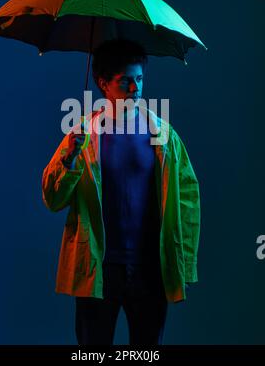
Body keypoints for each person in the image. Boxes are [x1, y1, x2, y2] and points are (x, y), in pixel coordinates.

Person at [42, 39, 201, 345]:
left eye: (139, 79)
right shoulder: (83, 136)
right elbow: (52, 198)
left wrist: (183, 263)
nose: (134, 89)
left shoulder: (163, 135)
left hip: (150, 268)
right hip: (98, 268)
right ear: (104, 83)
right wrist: (69, 157)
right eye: (125, 81)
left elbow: (187, 200)